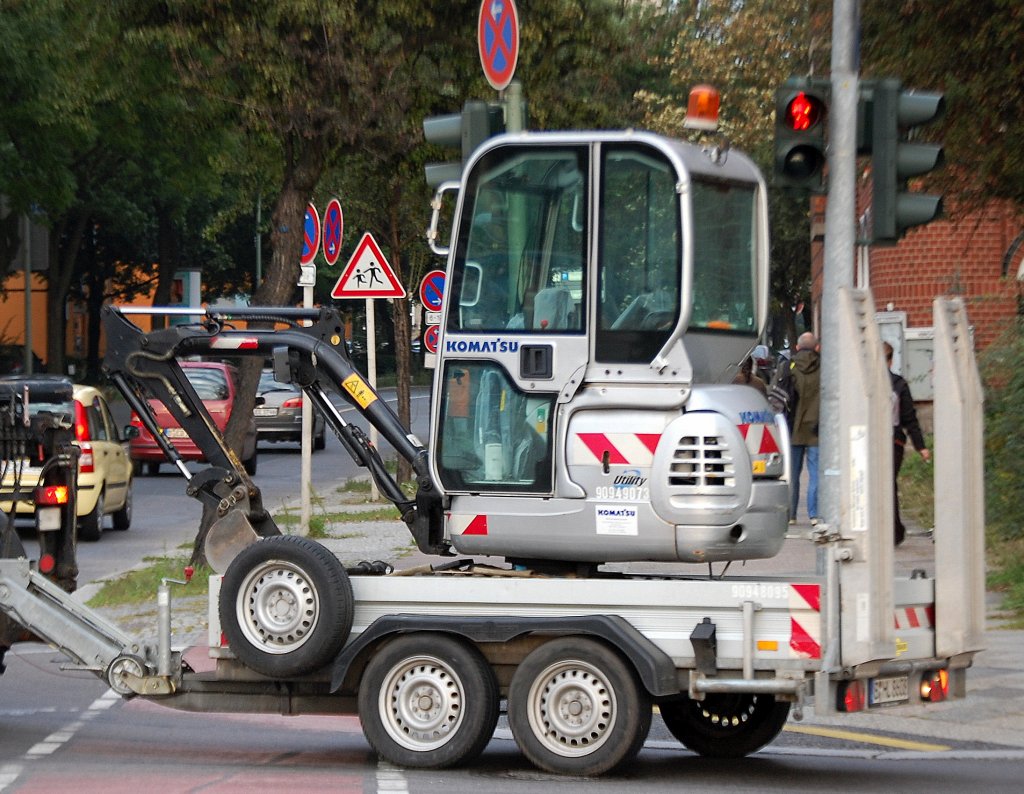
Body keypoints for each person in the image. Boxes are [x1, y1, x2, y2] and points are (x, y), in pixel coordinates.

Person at [884, 342, 931, 545]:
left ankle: (890, 530)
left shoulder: (864, 383)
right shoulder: (899, 384)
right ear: (891, 360)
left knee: (880, 486)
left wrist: (920, 445)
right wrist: (921, 447)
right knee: (887, 486)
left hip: (878, 443)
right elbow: (909, 418)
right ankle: (893, 532)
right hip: (892, 443)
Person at [789, 332, 821, 525]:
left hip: (793, 427)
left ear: (798, 347)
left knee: (792, 473)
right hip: (817, 428)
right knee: (816, 473)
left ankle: (791, 515)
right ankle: (814, 514)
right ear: (816, 348)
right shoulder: (825, 367)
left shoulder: (789, 366)